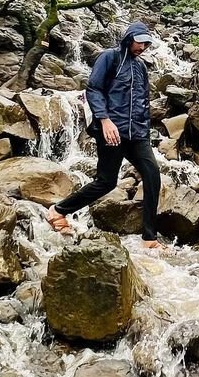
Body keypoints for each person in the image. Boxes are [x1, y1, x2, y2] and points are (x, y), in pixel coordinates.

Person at [46, 22, 161, 246]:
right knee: (106, 182)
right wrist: (105, 121)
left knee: (152, 175)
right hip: (112, 131)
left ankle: (149, 238)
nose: (143, 46)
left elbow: (143, 103)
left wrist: (145, 133)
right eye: (140, 41)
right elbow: (94, 89)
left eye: (146, 43)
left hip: (136, 134)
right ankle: (57, 211)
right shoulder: (110, 58)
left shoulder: (141, 67)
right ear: (129, 38)